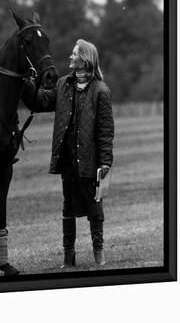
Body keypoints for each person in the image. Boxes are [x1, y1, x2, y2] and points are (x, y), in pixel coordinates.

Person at [22, 39, 114, 267]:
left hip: (90, 162)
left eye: (75, 54)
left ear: (84, 60)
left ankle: (98, 255)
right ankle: (68, 258)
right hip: (67, 160)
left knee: (95, 207)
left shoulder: (101, 91)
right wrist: (27, 84)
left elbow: (105, 132)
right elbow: (40, 101)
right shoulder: (63, 84)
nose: (70, 57)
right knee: (68, 207)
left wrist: (105, 163)